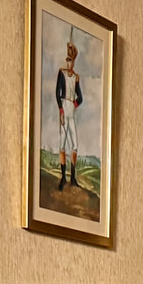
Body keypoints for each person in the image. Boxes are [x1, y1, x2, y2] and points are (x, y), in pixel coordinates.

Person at [54, 41, 83, 189]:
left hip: (72, 110)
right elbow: (57, 93)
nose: (68, 62)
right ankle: (63, 178)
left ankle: (72, 178)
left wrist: (73, 105)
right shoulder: (62, 73)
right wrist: (61, 110)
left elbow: (80, 98)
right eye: (67, 59)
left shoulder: (76, 78)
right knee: (62, 144)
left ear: (74, 62)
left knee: (75, 145)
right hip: (64, 109)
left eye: (70, 60)